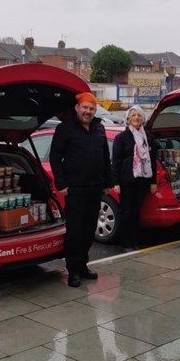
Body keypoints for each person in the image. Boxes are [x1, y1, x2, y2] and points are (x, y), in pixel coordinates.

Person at [49, 92, 112, 287]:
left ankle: (83, 265)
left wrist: (108, 183)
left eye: (91, 109)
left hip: (95, 187)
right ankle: (73, 270)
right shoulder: (65, 129)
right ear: (77, 108)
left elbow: (105, 158)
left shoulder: (99, 128)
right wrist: (61, 184)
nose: (88, 111)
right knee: (75, 231)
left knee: (88, 229)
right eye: (85, 107)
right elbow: (54, 158)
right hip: (75, 189)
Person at [111, 106, 157, 250]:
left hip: (143, 179)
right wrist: (116, 182)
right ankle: (126, 242)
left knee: (136, 211)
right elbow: (116, 161)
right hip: (126, 180)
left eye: (138, 115)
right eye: (133, 116)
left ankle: (134, 240)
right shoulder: (122, 138)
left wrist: (153, 181)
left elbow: (152, 159)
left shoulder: (148, 137)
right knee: (126, 211)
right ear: (128, 119)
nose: (136, 118)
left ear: (142, 118)